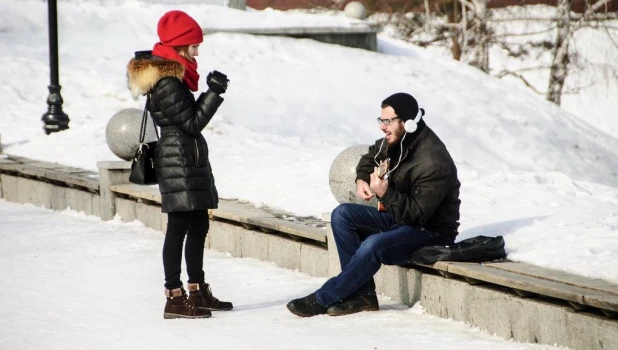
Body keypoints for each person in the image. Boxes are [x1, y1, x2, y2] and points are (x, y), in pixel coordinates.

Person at [287, 92, 461, 317]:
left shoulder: (432, 161)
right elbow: (370, 156)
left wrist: (385, 193)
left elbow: (417, 215)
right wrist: (361, 179)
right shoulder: (398, 140)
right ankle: (362, 295)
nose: (382, 127)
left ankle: (323, 298)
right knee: (342, 215)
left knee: (373, 244)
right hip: (400, 219)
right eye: (381, 120)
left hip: (430, 231)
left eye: (388, 121)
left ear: (407, 123)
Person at [127, 10, 233, 319]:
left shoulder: (173, 76)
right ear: (179, 46)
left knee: (198, 223)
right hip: (179, 160)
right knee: (179, 227)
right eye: (193, 46)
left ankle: (197, 291)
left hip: (187, 158)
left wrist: (208, 92)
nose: (197, 52)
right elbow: (191, 123)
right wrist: (213, 93)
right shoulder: (167, 82)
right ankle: (174, 297)